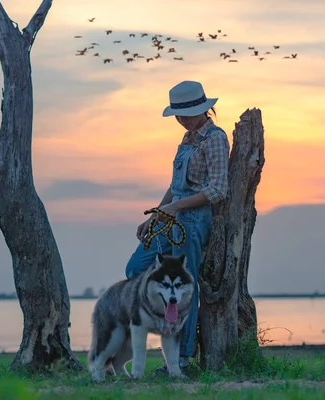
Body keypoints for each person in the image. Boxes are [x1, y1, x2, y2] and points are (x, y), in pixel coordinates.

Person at [124, 80, 230, 374]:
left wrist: (176, 208)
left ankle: (180, 359)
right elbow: (174, 187)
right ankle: (163, 328)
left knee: (186, 284)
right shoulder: (187, 139)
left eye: (186, 114)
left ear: (203, 110)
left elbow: (217, 190)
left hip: (195, 218)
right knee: (135, 269)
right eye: (178, 115)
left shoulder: (215, 139)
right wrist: (157, 214)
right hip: (172, 215)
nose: (181, 120)